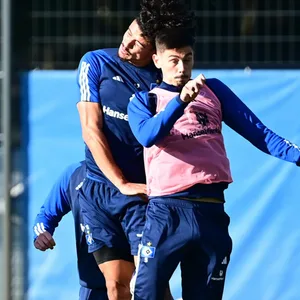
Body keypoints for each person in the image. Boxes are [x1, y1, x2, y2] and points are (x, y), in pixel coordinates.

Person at [127, 27, 300, 300]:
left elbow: (259, 132)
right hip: (167, 212)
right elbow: (148, 136)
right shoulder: (144, 100)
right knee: (145, 294)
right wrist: (181, 101)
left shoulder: (213, 90)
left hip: (211, 212)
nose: (182, 67)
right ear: (157, 60)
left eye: (188, 58)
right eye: (174, 60)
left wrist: (297, 156)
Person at [75, 1, 194, 299]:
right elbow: (91, 130)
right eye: (128, 31)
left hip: (142, 195)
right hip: (99, 191)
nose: (126, 43)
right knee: (116, 284)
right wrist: (120, 183)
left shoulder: (163, 83)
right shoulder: (95, 62)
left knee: (152, 284)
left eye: (138, 42)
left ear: (155, 54)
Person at [33, 161, 109, 300]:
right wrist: (41, 234)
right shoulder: (75, 173)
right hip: (94, 286)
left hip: (136, 282)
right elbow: (46, 216)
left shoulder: (141, 169)